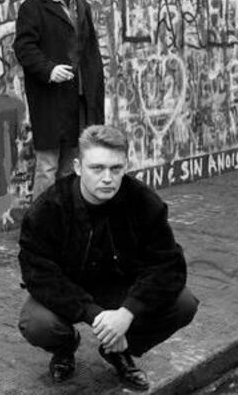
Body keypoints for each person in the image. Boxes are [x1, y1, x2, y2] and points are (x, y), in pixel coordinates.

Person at [17, 125, 198, 391]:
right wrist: (94, 315)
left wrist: (127, 313)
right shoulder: (50, 207)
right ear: (78, 167)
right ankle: (66, 347)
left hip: (121, 289)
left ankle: (118, 349)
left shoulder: (143, 202)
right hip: (70, 291)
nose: (107, 178)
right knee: (36, 323)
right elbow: (38, 273)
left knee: (184, 303)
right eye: (97, 168)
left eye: (116, 169)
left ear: (126, 166)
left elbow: (168, 266)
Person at [14, 0, 105, 197]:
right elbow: (23, 47)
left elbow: (91, 53)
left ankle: (62, 221)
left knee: (70, 166)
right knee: (47, 166)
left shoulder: (82, 5)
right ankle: (40, 228)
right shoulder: (33, 7)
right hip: (50, 100)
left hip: (79, 102)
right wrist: (49, 69)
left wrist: (95, 94)